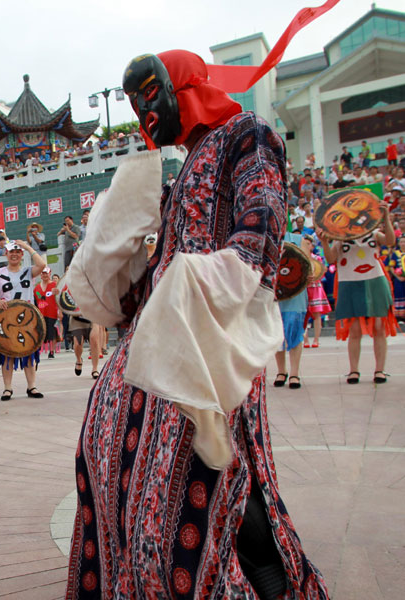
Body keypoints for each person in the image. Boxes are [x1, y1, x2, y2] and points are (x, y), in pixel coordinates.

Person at [64, 50, 327, 598]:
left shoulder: (247, 135)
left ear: (181, 87)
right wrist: (116, 262)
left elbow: (261, 228)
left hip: (211, 339)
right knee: (116, 461)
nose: (145, 116)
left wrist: (208, 285)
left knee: (210, 481)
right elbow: (152, 279)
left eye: (150, 97)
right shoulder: (181, 171)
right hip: (162, 341)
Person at [318, 204, 397, 384]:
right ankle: (354, 370)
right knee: (354, 330)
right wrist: (324, 242)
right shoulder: (340, 238)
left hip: (374, 279)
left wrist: (386, 217)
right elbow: (331, 259)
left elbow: (390, 241)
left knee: (378, 327)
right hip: (349, 282)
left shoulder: (374, 234)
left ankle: (380, 370)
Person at [0, 240, 46, 401]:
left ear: (21, 255)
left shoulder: (28, 272)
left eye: (18, 252)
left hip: (27, 320)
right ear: (6, 253)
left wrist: (27, 247)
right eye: (11, 252)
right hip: (5, 321)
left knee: (28, 353)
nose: (14, 254)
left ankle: (31, 386)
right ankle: (7, 388)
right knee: (7, 353)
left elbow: (41, 264)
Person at [274, 233, 307, 389]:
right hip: (274, 292)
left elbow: (308, 265)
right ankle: (281, 371)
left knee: (294, 328)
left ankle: (294, 373)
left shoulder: (299, 240)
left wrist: (311, 274)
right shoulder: (268, 236)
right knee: (276, 333)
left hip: (296, 293)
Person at [302, 234, 331, 347]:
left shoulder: (317, 258)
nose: (307, 246)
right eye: (305, 243)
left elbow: (322, 271)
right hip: (304, 288)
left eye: (309, 244)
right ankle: (305, 340)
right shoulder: (300, 258)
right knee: (303, 315)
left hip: (315, 288)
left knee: (317, 314)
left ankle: (316, 339)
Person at [33, 267, 59, 359]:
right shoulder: (36, 288)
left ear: (50, 274)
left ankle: (51, 351)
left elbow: (59, 299)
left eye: (46, 273)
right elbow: (35, 302)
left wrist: (60, 311)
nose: (44, 275)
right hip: (41, 313)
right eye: (43, 273)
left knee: (51, 331)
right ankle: (39, 350)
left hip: (52, 312)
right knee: (41, 331)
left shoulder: (55, 285)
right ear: (40, 275)